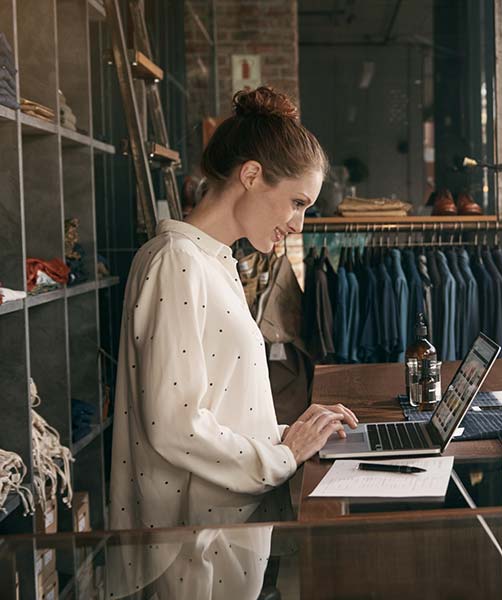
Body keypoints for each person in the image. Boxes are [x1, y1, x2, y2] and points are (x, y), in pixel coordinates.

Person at [109, 87, 358, 532]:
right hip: (193, 549)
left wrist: (289, 432)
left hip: (218, 533)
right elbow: (173, 425)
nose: (298, 224)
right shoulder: (178, 262)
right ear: (251, 175)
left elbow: (216, 404)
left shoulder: (211, 261)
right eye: (297, 202)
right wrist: (284, 455)